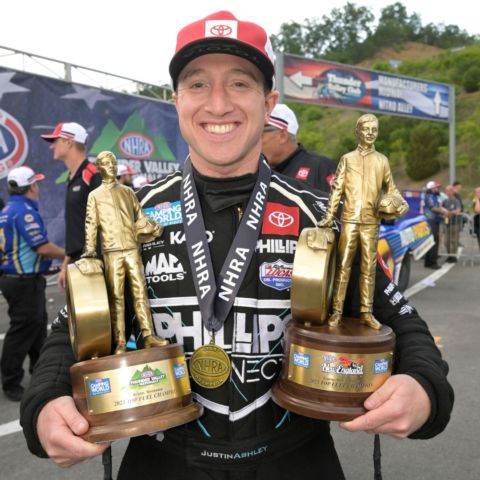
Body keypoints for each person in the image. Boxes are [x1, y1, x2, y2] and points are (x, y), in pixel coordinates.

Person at [21, 11, 453, 479]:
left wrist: (423, 389)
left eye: (240, 84)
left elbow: (403, 324)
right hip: (162, 461)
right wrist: (44, 403)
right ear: (177, 100)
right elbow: (71, 332)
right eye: (198, 84)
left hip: (297, 461)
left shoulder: (318, 215)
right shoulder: (129, 211)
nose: (219, 103)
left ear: (268, 103)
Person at [319, 114, 408, 330]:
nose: (370, 133)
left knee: (369, 268)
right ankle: (337, 311)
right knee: (343, 267)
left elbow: (392, 189)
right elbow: (336, 190)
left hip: (371, 222)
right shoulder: (347, 159)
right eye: (366, 129)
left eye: (374, 130)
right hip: (349, 220)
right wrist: (329, 217)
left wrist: (398, 203)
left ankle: (366, 312)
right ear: (358, 131)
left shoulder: (382, 161)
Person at [81, 151, 167, 352]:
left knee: (141, 293)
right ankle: (120, 342)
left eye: (113, 163)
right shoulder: (94, 196)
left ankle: (148, 335)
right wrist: (90, 251)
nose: (111, 166)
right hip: (111, 252)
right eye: (106, 164)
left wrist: (153, 228)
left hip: (131, 249)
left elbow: (140, 218)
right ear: (100, 168)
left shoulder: (128, 192)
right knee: (116, 297)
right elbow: (91, 225)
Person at [0, 166, 65, 402]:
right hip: (22, 283)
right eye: (35, 183)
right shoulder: (24, 212)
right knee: (22, 332)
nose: (38, 187)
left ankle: (39, 374)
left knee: (37, 329)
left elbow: (23, 250)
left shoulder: (8, 210)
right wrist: (69, 255)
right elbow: (42, 247)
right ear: (30, 187)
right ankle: (11, 382)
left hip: (20, 279)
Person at [40, 122, 101, 289]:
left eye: (55, 141)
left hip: (93, 261)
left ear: (69, 142)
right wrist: (66, 263)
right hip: (76, 261)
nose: (51, 147)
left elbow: (107, 220)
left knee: (96, 314)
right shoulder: (71, 177)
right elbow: (76, 227)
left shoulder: (92, 174)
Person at [262, 103, 336, 192]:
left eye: (259, 135)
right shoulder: (259, 171)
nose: (253, 143)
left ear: (282, 135)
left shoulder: (321, 168)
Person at [423, 180, 447, 269]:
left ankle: (428, 262)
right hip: (431, 221)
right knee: (434, 242)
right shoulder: (430, 196)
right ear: (431, 188)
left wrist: (442, 213)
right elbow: (433, 208)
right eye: (436, 187)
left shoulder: (433, 196)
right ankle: (432, 262)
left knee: (432, 242)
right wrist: (443, 212)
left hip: (433, 220)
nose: (437, 189)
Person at [442, 184, 462, 262]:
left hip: (455, 223)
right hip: (447, 224)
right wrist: (443, 213)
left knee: (454, 241)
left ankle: (453, 256)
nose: (447, 192)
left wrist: (450, 212)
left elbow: (458, 210)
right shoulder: (445, 201)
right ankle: (449, 255)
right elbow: (441, 208)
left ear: (452, 191)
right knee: (446, 241)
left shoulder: (456, 200)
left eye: (449, 191)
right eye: (446, 191)